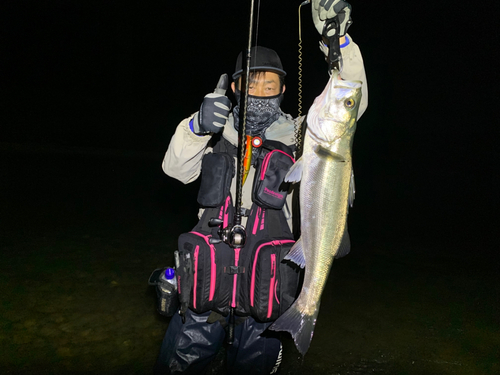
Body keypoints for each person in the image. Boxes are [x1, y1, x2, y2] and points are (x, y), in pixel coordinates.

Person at [154, 2, 368, 374]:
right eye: (252, 83)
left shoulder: (305, 136)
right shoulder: (215, 133)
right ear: (235, 87)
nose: (261, 92)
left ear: (284, 89)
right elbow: (174, 169)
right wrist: (196, 127)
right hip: (203, 301)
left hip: (264, 303)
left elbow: (352, 98)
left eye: (271, 85)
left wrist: (340, 43)